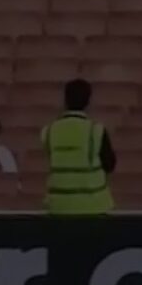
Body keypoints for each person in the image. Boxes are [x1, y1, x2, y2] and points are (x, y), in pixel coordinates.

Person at [42, 79, 116, 215]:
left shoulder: (49, 131)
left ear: (65, 100)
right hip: (94, 207)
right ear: (88, 102)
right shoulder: (96, 130)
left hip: (58, 208)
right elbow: (110, 164)